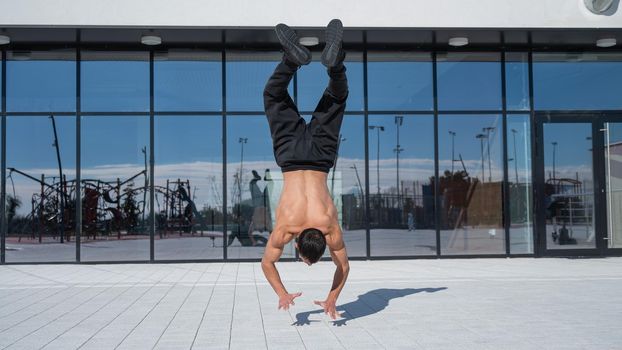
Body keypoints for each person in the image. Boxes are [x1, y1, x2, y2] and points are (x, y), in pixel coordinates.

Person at [261, 19, 350, 320]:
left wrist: (333, 298)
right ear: (297, 242)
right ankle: (291, 60)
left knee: (336, 99)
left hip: (321, 158)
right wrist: (282, 293)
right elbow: (266, 264)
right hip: (289, 156)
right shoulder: (285, 228)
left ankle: (335, 64)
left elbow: (344, 267)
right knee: (273, 96)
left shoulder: (330, 229)